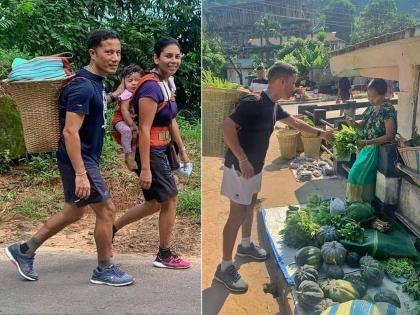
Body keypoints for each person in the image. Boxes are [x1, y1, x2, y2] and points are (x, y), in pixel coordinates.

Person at [5, 30, 134, 286]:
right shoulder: (82, 86)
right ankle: (103, 269)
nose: (115, 58)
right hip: (80, 159)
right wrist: (81, 173)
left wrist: (116, 93)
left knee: (73, 212)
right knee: (107, 210)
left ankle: (24, 251)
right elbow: (69, 131)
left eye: (117, 52)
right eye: (108, 52)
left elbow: (98, 105)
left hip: (84, 158)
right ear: (92, 53)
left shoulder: (96, 84)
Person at [215, 62, 334, 292]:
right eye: (292, 82)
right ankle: (224, 267)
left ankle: (246, 245)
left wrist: (322, 133)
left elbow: (295, 122)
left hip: (254, 167)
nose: (295, 87)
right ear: (281, 81)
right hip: (241, 168)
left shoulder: (273, 106)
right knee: (236, 215)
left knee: (250, 204)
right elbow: (226, 127)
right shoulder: (254, 103)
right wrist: (242, 159)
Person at [111, 38, 191, 269]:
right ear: (156, 58)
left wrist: (182, 150)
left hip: (162, 150)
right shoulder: (150, 87)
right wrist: (145, 168)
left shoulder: (166, 83)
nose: (173, 60)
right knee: (170, 198)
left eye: (177, 56)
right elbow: (144, 129)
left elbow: (171, 120)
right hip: (151, 151)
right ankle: (164, 255)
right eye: (168, 56)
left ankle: (111, 230)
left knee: (155, 203)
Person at [345, 78, 397, 203]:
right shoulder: (370, 109)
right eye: (368, 96)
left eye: (373, 96)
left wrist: (367, 142)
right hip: (366, 149)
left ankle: (361, 203)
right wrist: (353, 124)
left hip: (376, 150)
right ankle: (358, 203)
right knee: (358, 175)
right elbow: (362, 124)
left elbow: (390, 136)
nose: (370, 99)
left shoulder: (387, 109)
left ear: (383, 94)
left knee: (357, 175)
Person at [111, 64, 144, 170]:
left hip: (131, 120)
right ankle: (128, 155)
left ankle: (132, 157)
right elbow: (124, 111)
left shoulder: (140, 93)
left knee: (136, 135)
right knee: (127, 131)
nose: (134, 83)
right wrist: (132, 124)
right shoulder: (126, 94)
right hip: (120, 120)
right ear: (124, 82)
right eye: (130, 81)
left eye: (137, 80)